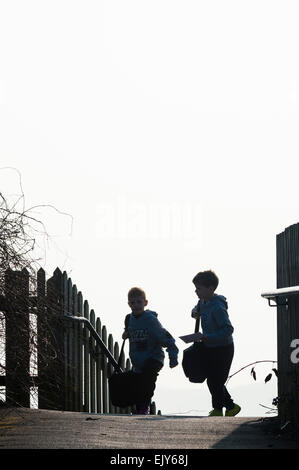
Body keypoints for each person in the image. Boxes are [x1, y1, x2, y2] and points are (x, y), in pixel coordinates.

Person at [191, 270, 241, 417]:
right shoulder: (202, 301)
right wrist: (194, 313)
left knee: (216, 380)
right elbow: (196, 308)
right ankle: (230, 406)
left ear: (211, 288)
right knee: (212, 379)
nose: (196, 291)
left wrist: (209, 337)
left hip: (223, 348)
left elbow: (228, 329)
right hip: (209, 348)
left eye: (199, 288)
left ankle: (218, 409)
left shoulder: (218, 307)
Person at [122, 287, 179, 414]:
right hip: (138, 360)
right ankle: (140, 409)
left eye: (139, 302)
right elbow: (128, 331)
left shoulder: (150, 320)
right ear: (128, 304)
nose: (136, 305)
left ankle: (144, 408)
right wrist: (125, 334)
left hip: (154, 358)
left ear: (145, 303)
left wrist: (173, 356)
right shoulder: (129, 319)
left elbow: (166, 337)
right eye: (132, 302)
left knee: (147, 382)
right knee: (137, 385)